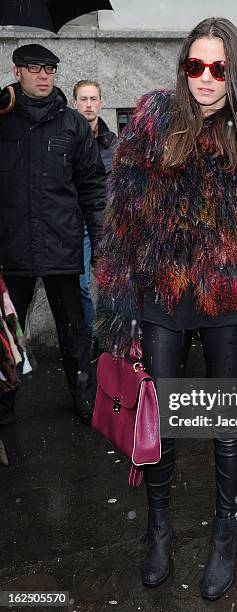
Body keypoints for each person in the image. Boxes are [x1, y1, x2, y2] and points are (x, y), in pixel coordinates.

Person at [95, 18, 237, 600]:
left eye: (217, 68)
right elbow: (122, 220)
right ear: (182, 66)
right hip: (162, 296)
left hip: (229, 300)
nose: (205, 79)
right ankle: (157, 527)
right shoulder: (152, 120)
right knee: (157, 419)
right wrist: (117, 302)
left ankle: (225, 530)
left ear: (233, 70)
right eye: (195, 66)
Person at [0, 44, 106, 425]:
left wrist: (100, 244)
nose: (43, 75)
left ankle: (85, 400)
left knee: (75, 331)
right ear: (17, 72)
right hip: (13, 249)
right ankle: (4, 406)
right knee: (8, 335)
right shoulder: (4, 121)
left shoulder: (73, 124)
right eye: (34, 68)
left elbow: (93, 186)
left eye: (49, 69)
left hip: (62, 245)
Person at [72, 80, 118, 336]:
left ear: (100, 103)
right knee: (79, 284)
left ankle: (107, 336)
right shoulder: (68, 140)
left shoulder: (114, 144)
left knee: (109, 283)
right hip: (76, 223)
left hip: (106, 222)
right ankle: (92, 333)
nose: (88, 105)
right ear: (74, 103)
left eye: (93, 99)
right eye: (83, 99)